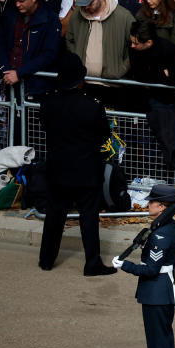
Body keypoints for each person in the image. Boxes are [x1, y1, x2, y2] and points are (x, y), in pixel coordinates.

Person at [38, 51, 115, 276]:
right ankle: (92, 262)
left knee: (55, 215)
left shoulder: (48, 102)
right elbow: (104, 134)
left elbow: (45, 127)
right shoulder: (92, 105)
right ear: (80, 80)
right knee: (88, 216)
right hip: (86, 170)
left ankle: (46, 259)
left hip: (58, 168)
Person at [112, 183, 175, 348]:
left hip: (157, 293)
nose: (149, 204)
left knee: (158, 344)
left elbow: (152, 269)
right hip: (162, 290)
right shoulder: (168, 226)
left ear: (162, 206)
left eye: (152, 201)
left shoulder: (161, 234)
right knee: (160, 342)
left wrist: (125, 266)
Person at [0, 0, 62, 97]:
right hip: (8, 81)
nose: (17, 5)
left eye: (21, 1)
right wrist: (5, 68)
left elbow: (49, 54)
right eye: (15, 1)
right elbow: (1, 43)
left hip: (36, 87)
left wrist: (20, 73)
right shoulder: (10, 14)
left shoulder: (50, 19)